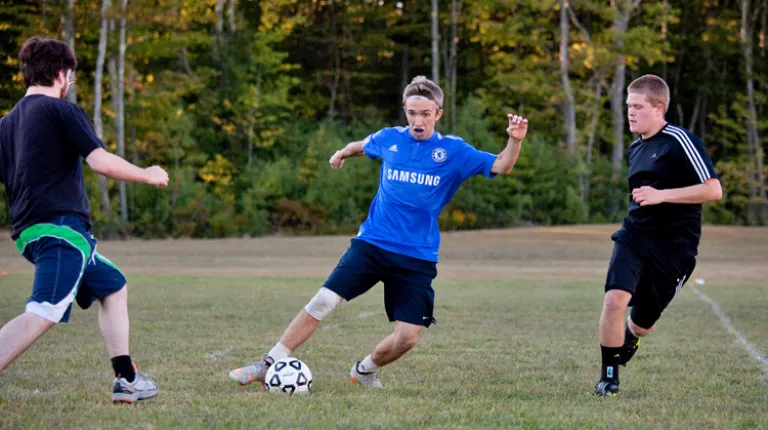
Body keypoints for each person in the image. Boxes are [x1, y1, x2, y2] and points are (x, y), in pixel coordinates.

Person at [229, 75, 528, 389]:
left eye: (425, 114)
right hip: (371, 243)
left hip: (417, 254)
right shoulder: (389, 138)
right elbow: (363, 146)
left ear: (438, 114)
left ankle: (365, 370)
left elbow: (502, 166)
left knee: (407, 338)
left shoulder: (454, 151)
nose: (418, 120)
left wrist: (515, 139)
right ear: (405, 111)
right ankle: (268, 363)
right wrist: (342, 152)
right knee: (322, 301)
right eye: (412, 113)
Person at [0, 37, 170, 403]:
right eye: (71, 77)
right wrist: (148, 173)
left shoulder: (7, 123)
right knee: (43, 311)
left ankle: (126, 380)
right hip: (62, 232)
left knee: (112, 285)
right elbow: (101, 162)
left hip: (31, 234)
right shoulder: (63, 111)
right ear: (62, 74)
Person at [594, 74, 722, 397]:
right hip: (635, 236)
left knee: (641, 325)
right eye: (628, 106)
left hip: (675, 249)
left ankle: (632, 335)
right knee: (613, 301)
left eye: (637, 107)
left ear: (658, 108)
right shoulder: (635, 149)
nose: (630, 113)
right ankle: (609, 378)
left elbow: (714, 190)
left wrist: (662, 195)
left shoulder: (680, 141)